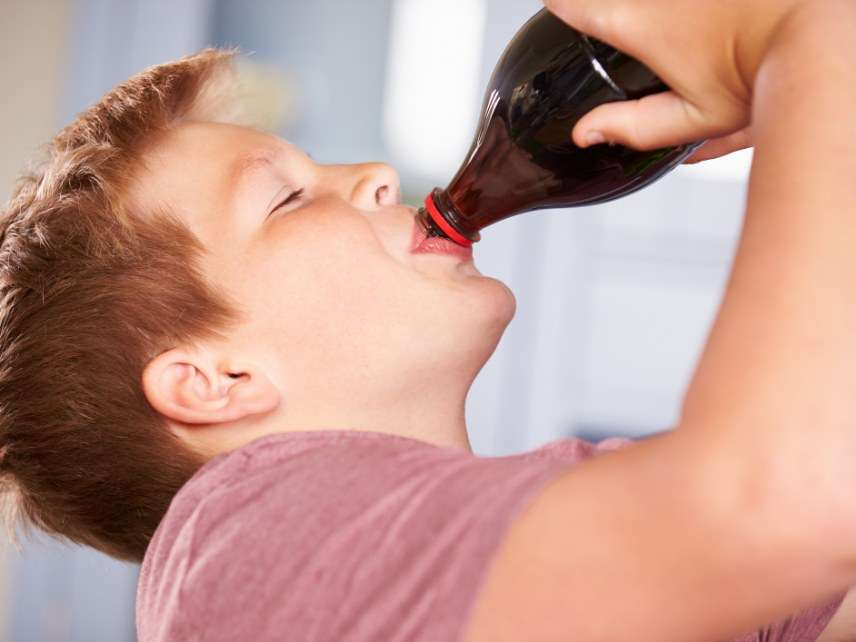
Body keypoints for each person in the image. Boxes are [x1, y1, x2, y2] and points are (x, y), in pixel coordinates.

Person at [1, 0, 855, 639]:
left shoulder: (581, 537)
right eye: (287, 197)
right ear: (216, 380)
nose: (374, 174)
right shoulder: (234, 547)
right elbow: (784, 505)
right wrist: (808, 52)